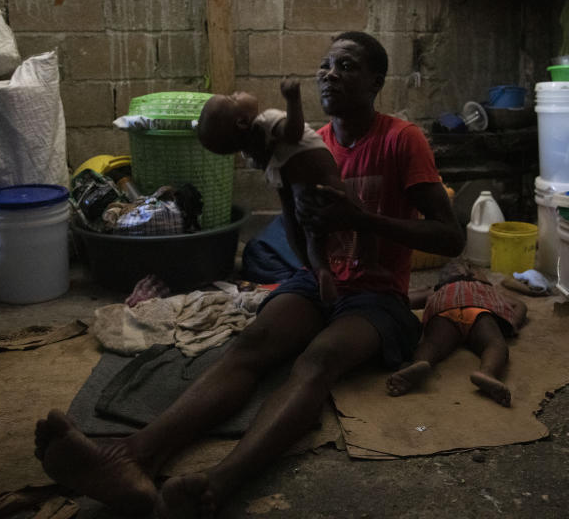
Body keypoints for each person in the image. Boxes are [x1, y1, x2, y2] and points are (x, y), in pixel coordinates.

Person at [34, 31, 465, 516]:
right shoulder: (306, 143)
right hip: (320, 280)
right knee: (250, 347)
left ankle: (216, 485)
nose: (329, 74)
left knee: (316, 362)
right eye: (325, 64)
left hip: (377, 295)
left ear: (376, 82)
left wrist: (362, 220)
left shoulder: (400, 139)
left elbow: (451, 238)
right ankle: (130, 457)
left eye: (347, 66)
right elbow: (298, 235)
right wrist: (313, 252)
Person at [196, 77, 346, 302]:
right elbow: (294, 133)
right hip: (319, 176)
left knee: (301, 230)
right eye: (233, 97)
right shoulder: (267, 119)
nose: (238, 91)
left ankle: (317, 270)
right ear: (242, 122)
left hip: (292, 189)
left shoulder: (250, 150)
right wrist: (293, 99)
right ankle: (352, 268)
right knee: (354, 214)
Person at [385, 261, 527, 406]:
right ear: (476, 274)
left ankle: (418, 363)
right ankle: (487, 372)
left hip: (444, 311)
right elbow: (520, 305)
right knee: (495, 344)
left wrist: (421, 290)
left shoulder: (437, 290)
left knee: (432, 344)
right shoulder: (485, 288)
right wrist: (513, 322)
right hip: (478, 310)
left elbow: (405, 300)